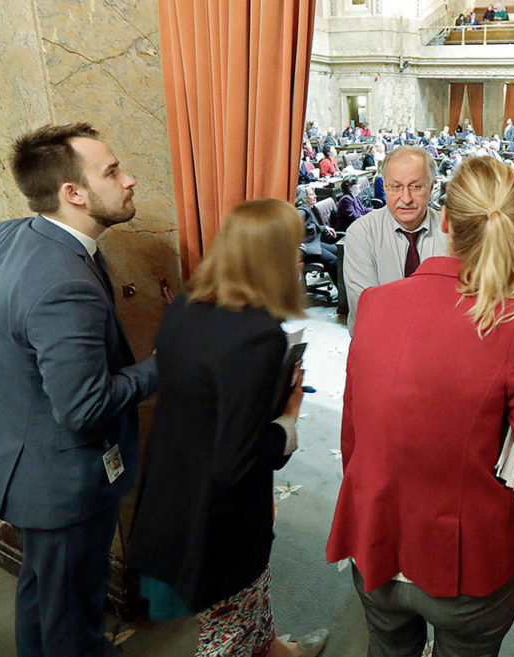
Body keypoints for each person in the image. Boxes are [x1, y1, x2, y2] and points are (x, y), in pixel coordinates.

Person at [327, 156, 514, 657]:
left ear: (444, 220)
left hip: (377, 542)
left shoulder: (373, 305)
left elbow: (351, 442)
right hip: (466, 565)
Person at [0, 122, 158, 656]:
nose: (129, 180)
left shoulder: (4, 235)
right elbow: (86, 406)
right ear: (72, 193)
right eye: (112, 171)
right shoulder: (63, 282)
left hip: (21, 461)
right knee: (71, 613)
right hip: (64, 483)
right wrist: (165, 364)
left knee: (44, 594)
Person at [127, 200, 328, 657]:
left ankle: (277, 650)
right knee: (225, 634)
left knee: (244, 606)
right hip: (214, 519)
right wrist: (288, 416)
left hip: (170, 490)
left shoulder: (186, 305)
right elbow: (237, 461)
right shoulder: (258, 336)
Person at [342, 146, 448, 334]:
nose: (405, 199)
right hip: (379, 348)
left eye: (415, 186)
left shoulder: (453, 233)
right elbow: (367, 311)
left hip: (440, 348)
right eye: (396, 187)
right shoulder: (361, 234)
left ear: (431, 188)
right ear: (384, 188)